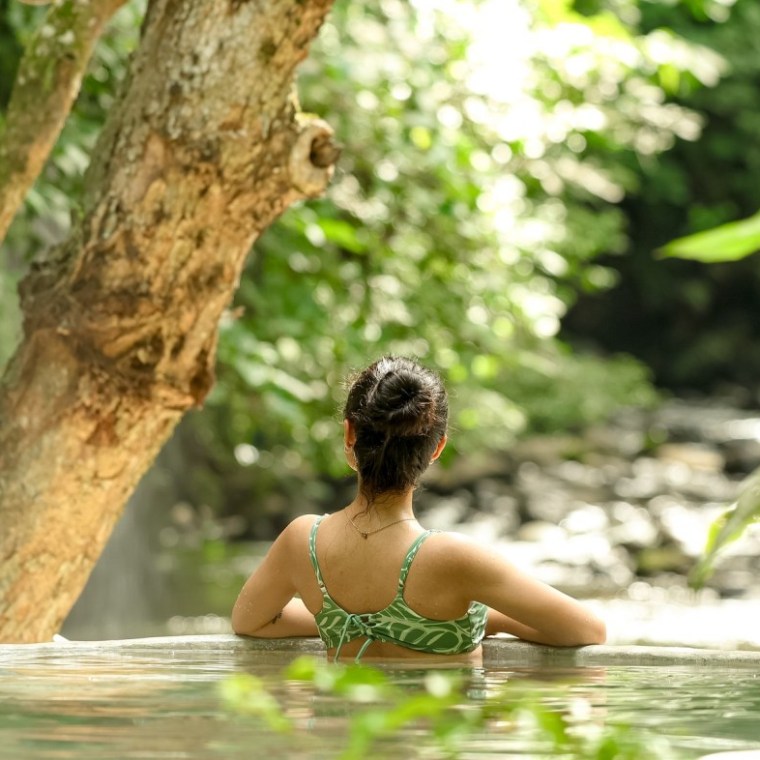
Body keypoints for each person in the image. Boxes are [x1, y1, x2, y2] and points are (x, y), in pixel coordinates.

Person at [232, 356, 606, 662]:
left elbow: (251, 622)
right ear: (437, 448)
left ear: (349, 434)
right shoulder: (453, 558)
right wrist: (482, 619)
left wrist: (337, 618)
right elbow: (587, 630)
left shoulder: (304, 542)